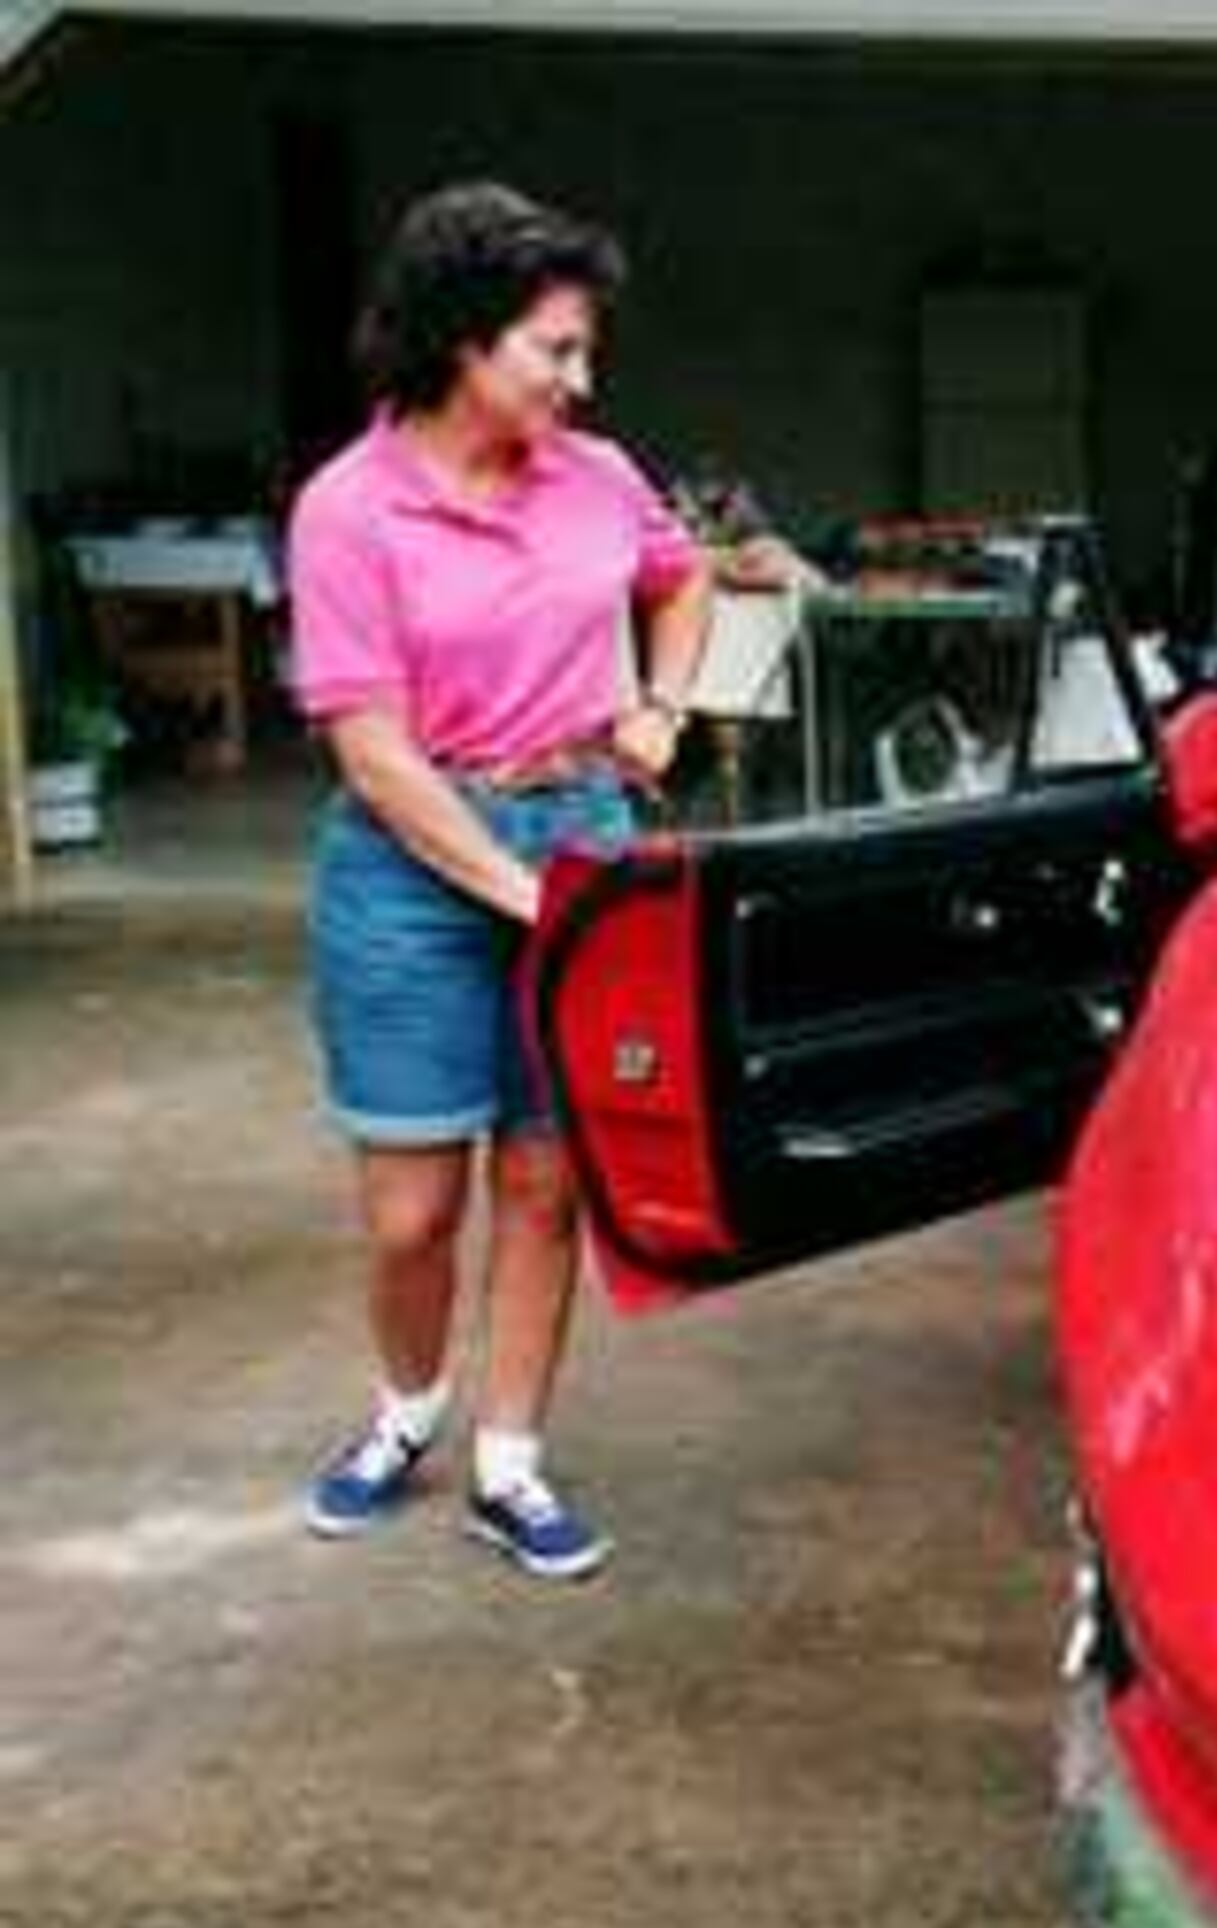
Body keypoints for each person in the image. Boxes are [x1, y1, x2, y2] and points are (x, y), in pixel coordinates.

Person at [286, 182, 714, 1579]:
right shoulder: (349, 511)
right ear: (464, 341)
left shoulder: (595, 474)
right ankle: (406, 1408)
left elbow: (683, 577)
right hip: (412, 868)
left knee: (546, 1182)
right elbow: (376, 757)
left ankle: (509, 1461)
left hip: (575, 813)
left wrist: (660, 707)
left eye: (585, 353)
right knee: (414, 1210)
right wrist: (533, 903)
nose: (581, 383)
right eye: (555, 350)